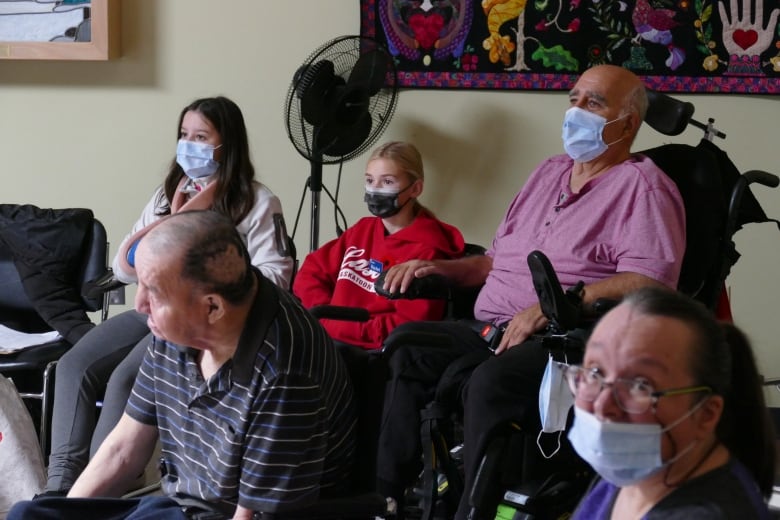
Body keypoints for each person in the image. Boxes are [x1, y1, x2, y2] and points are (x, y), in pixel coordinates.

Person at [376, 64, 687, 519]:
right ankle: (389, 498)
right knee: (405, 349)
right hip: (489, 326)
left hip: (566, 339)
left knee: (490, 384)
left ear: (628, 123)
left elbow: (651, 281)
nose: (576, 111)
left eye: (593, 103)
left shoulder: (644, 188)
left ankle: (471, 511)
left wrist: (552, 307)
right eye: (574, 98)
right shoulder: (548, 172)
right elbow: (492, 261)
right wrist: (438, 267)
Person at [10, 210, 357, 520]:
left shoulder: (284, 374)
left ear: (212, 308)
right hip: (181, 505)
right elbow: (123, 449)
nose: (141, 304)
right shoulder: (177, 327)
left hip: (241, 513)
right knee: (31, 514)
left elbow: (252, 515)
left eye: (154, 292)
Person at [44, 96, 294, 496]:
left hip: (199, 322)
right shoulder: (169, 194)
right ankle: (59, 488)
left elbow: (276, 278)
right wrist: (175, 220)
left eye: (200, 136)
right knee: (74, 365)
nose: (188, 145)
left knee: (125, 377)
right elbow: (125, 266)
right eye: (183, 135)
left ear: (225, 146)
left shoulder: (257, 202)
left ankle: (99, 494)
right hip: (154, 310)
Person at [567, 287, 775, 519]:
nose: (602, 406)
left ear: (706, 413)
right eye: (595, 371)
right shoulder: (631, 473)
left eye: (640, 385)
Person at [292, 141, 465, 350]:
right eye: (370, 180)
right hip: (328, 340)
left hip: (370, 355)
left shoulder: (429, 252)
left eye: (388, 182)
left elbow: (405, 326)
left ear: (415, 188)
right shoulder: (362, 230)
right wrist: (326, 314)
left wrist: (329, 324)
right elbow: (310, 273)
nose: (375, 190)